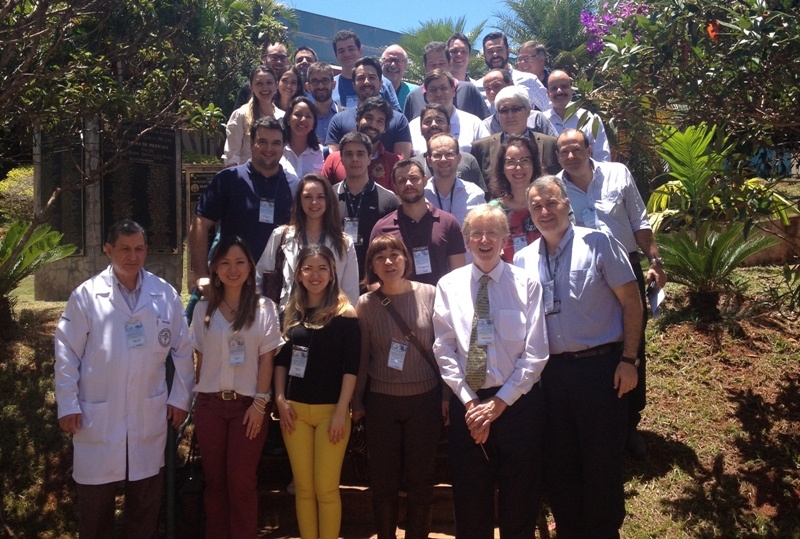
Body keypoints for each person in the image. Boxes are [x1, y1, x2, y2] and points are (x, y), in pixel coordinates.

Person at [513, 175, 643, 539]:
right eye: (536, 206)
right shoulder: (523, 260)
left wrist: (629, 360)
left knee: (601, 460)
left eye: (551, 202)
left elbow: (632, 302)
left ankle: (604, 531)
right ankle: (570, 530)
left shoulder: (599, 243)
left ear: (567, 203)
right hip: (550, 377)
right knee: (560, 462)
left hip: (601, 370)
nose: (544, 211)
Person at [54, 219, 194, 538]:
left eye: (139, 249)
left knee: (144, 506)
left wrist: (179, 399)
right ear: (108, 250)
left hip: (148, 413)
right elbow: (66, 351)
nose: (133, 256)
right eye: (125, 249)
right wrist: (67, 403)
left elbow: (183, 350)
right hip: (98, 414)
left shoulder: (165, 294)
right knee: (95, 511)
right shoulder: (86, 296)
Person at [432, 204, 549, 539]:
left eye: (492, 233)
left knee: (520, 501)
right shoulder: (449, 286)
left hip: (517, 407)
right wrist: (471, 404)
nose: (484, 240)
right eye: (476, 234)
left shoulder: (526, 284)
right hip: (469, 407)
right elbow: (444, 348)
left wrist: (498, 404)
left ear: (504, 239)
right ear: (467, 241)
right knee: (470, 505)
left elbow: (536, 353)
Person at [556, 128, 667, 457]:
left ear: (589, 148)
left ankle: (631, 421)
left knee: (633, 340)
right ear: (557, 157)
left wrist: (656, 261)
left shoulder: (618, 174)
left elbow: (639, 220)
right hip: (585, 274)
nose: (571, 156)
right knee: (602, 343)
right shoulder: (556, 187)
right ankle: (604, 420)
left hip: (627, 267)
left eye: (577, 148)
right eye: (564, 152)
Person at [353, 234, 447, 539]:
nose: (389, 262)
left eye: (395, 254)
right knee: (384, 482)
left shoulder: (431, 294)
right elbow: (363, 357)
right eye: (380, 257)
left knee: (421, 479)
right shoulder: (365, 304)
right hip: (382, 402)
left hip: (425, 400)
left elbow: (444, 349)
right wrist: (357, 402)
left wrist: (446, 396)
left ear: (406, 259)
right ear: (372, 266)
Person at [191, 236, 282, 538]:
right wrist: (198, 404)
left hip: (247, 409)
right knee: (215, 484)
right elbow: (200, 361)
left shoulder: (265, 308)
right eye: (225, 263)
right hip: (210, 407)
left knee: (242, 483)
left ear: (250, 267)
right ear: (215, 268)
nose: (233, 269)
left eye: (240, 262)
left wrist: (260, 404)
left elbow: (266, 360)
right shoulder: (203, 310)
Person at [274, 244, 360, 539]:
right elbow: (281, 362)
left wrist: (341, 412)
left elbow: (352, 368)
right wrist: (280, 399)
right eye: (308, 268)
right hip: (294, 412)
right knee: (304, 489)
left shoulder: (345, 314)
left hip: (330, 414)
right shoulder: (291, 312)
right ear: (298, 274)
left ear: (332, 273)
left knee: (325, 488)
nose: (315, 274)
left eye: (322, 268)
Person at [191, 116, 300, 297]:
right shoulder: (228, 179)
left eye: (276, 143)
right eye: (262, 142)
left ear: (283, 146)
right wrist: (202, 274)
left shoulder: (295, 187)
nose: (269, 149)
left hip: (278, 286)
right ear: (251, 143)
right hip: (232, 280)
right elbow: (200, 223)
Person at [256, 173, 359, 308]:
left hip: (329, 318)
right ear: (299, 201)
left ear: (329, 200)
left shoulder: (344, 242)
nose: (314, 202)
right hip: (287, 318)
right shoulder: (281, 236)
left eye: (320, 197)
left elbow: (350, 292)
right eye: (307, 197)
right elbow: (259, 279)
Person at [370, 159, 466, 285]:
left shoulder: (448, 223)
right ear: (394, 187)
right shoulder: (382, 228)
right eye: (401, 181)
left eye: (414, 178)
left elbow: (458, 274)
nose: (408, 184)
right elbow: (373, 280)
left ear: (425, 180)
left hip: (438, 302)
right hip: (397, 303)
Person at [332, 132, 400, 281]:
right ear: (341, 159)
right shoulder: (329, 196)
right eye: (349, 154)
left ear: (370, 158)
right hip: (335, 278)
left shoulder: (389, 200)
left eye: (360, 154)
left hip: (375, 280)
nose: (354, 159)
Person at [326, 57, 412, 158]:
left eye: (372, 77)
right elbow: (333, 162)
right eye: (361, 78)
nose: (366, 82)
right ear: (353, 85)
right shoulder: (339, 120)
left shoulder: (399, 121)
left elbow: (402, 165)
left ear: (381, 84)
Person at [471, 85, 561, 180]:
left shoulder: (551, 145)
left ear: (528, 111)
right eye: (504, 110)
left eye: (515, 109)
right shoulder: (481, 148)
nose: (510, 115)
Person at [323, 97, 399, 189]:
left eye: (380, 121)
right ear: (358, 120)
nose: (373, 125)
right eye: (369, 118)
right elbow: (322, 195)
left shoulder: (394, 162)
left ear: (385, 128)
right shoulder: (334, 160)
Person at [488, 134, 543, 262]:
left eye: (524, 161)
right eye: (511, 162)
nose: (518, 168)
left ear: (533, 165)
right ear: (503, 168)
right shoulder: (493, 210)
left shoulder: (547, 203)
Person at [408, 69, 489, 155]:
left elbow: (487, 156)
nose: (438, 94)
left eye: (443, 88)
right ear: (426, 94)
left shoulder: (474, 123)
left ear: (453, 91)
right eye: (433, 90)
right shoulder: (413, 127)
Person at [403, 41, 489, 122]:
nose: (437, 68)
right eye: (432, 65)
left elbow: (487, 124)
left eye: (442, 64)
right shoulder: (413, 97)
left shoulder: (468, 90)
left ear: (449, 64)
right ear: (425, 67)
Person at [411, 103, 487, 191]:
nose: (433, 125)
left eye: (439, 120)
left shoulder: (468, 160)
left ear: (449, 127)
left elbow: (482, 198)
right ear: (420, 129)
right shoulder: (414, 164)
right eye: (428, 121)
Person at [223, 65, 284, 166]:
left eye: (269, 83)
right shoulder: (240, 115)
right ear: (251, 87)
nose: (265, 88)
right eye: (259, 83)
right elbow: (232, 156)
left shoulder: (283, 117)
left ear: (276, 85)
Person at [545, 70, 611, 162]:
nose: (559, 91)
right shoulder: (542, 121)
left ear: (572, 90)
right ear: (547, 93)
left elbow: (602, 155)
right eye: (554, 88)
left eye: (564, 86)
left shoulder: (590, 118)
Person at [478, 32, 552, 113]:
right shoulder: (477, 88)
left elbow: (550, 111)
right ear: (484, 55)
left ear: (508, 51)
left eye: (499, 50)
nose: (495, 54)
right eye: (490, 51)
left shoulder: (529, 80)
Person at [423, 133, 486, 225]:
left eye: (449, 154)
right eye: (437, 155)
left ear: (459, 158)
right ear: (429, 161)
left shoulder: (475, 194)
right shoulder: (421, 195)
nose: (443, 159)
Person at [331, 29, 401, 112]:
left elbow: (397, 117)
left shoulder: (384, 83)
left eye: (351, 49)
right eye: (341, 51)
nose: (347, 54)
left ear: (360, 50)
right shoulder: (330, 86)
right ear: (336, 55)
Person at [481, 69, 557, 136]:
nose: (491, 92)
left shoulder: (537, 119)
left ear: (510, 84)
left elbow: (553, 146)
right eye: (487, 89)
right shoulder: (485, 126)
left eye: (496, 86)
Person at [233, 42, 291, 110]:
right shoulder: (249, 88)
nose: (279, 62)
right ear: (263, 59)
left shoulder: (290, 89)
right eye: (274, 57)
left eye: (283, 58)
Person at [281, 96, 324, 179]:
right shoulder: (277, 151)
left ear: (314, 123)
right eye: (298, 114)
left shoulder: (323, 153)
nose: (303, 119)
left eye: (308, 116)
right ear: (288, 119)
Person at [305, 62, 341, 143]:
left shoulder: (346, 116)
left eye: (325, 81)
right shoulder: (304, 120)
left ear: (333, 84)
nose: (320, 86)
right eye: (315, 81)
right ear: (308, 87)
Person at [381, 44, 418, 111]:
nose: (393, 65)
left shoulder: (415, 93)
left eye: (397, 61)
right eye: (389, 60)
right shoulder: (371, 88)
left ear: (405, 66)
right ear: (381, 63)